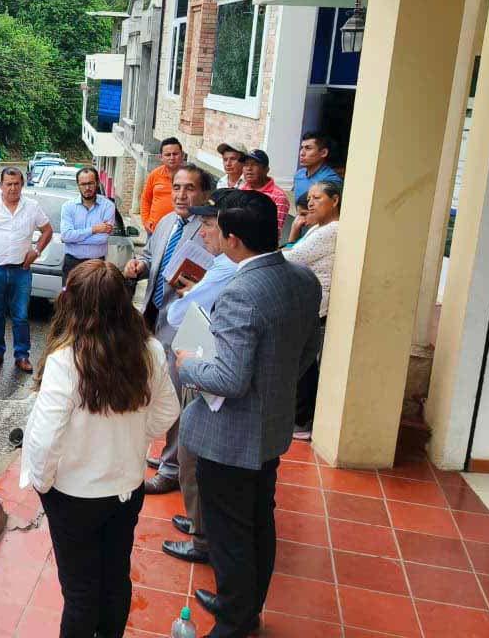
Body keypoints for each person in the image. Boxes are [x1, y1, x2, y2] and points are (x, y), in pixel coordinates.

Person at [175, 191, 321, 638]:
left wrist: (187, 363)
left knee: (230, 534)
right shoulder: (303, 279)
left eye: (217, 229)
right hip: (270, 425)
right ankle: (242, 605)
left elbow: (229, 378)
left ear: (234, 239)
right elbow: (308, 349)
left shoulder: (242, 292)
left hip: (231, 436)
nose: (213, 236)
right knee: (258, 520)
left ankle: (234, 622)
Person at [20, 260, 179, 638]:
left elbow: (45, 437)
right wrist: (134, 438)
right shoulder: (149, 350)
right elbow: (168, 411)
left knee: (80, 591)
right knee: (115, 579)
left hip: (74, 494)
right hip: (126, 488)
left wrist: (42, 481)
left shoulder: (66, 360)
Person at [158, 189, 247, 567]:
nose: (204, 233)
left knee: (194, 454)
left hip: (206, 367)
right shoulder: (230, 265)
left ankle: (202, 537)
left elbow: (178, 315)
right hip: (211, 366)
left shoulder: (226, 268)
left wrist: (189, 294)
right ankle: (199, 522)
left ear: (229, 232)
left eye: (209, 225)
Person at [123, 163, 212, 495]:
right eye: (176, 187)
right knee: (158, 388)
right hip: (155, 317)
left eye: (190, 188)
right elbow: (150, 256)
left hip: (187, 323)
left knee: (177, 395)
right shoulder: (165, 223)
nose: (181, 195)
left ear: (204, 194)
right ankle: (167, 455)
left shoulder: (209, 229)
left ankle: (173, 468)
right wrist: (140, 266)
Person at [0, 167, 53, 373]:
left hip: (21, 271)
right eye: (8, 184)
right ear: (1, 185)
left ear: (22, 185)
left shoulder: (32, 207)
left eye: (16, 184)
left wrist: (36, 251)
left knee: (21, 315)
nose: (13, 188)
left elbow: (47, 231)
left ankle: (22, 355)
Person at [284, 181, 341, 440]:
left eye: (318, 198)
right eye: (310, 198)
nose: (310, 203)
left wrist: (288, 242)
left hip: (314, 305)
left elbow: (292, 258)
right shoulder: (318, 227)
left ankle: (302, 419)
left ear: (335, 201)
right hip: (304, 303)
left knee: (304, 364)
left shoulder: (333, 230)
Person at [60, 167, 116, 283]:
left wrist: (74, 238)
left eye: (90, 183)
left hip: (97, 265)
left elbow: (102, 239)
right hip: (72, 264)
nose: (87, 188)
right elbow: (66, 236)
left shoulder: (108, 206)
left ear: (97, 183)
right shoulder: (68, 207)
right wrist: (94, 229)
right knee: (69, 295)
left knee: (95, 295)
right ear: (78, 185)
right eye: (83, 184)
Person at [238, 149, 291, 235]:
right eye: (246, 164)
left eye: (254, 164)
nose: (249, 168)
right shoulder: (241, 189)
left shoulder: (278, 196)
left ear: (266, 169)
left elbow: (273, 232)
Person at [140, 137, 186, 233]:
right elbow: (145, 200)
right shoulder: (154, 174)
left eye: (175, 154)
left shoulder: (189, 176)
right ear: (160, 157)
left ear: (182, 155)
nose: (172, 158)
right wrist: (146, 221)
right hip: (155, 229)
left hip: (178, 231)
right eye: (168, 155)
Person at [293, 132, 343, 202]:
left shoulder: (331, 180)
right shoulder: (299, 175)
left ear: (323, 153)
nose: (302, 153)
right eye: (302, 148)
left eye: (308, 148)